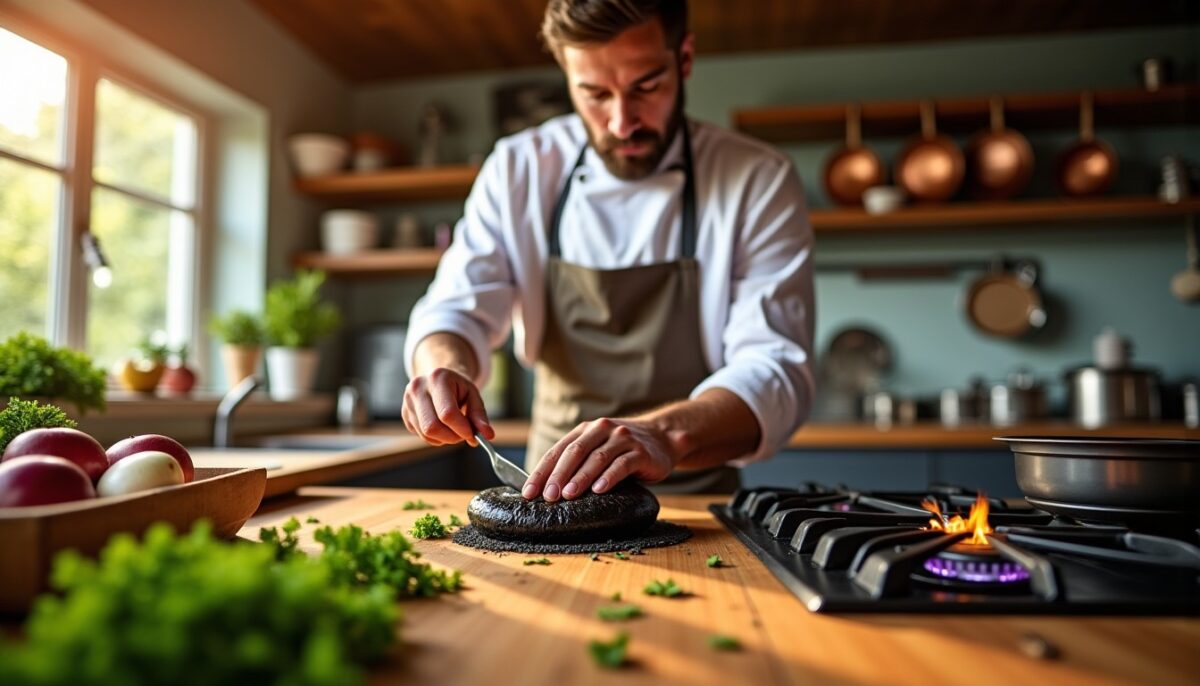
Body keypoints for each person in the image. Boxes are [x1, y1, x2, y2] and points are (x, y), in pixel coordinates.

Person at [402, 0, 814, 501]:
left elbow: (776, 369)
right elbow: (453, 311)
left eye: (647, 87)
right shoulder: (519, 169)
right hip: (550, 495)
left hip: (697, 502)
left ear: (684, 60)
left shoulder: (757, 179)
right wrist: (442, 370)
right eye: (595, 93)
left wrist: (663, 436)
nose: (622, 123)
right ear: (567, 76)